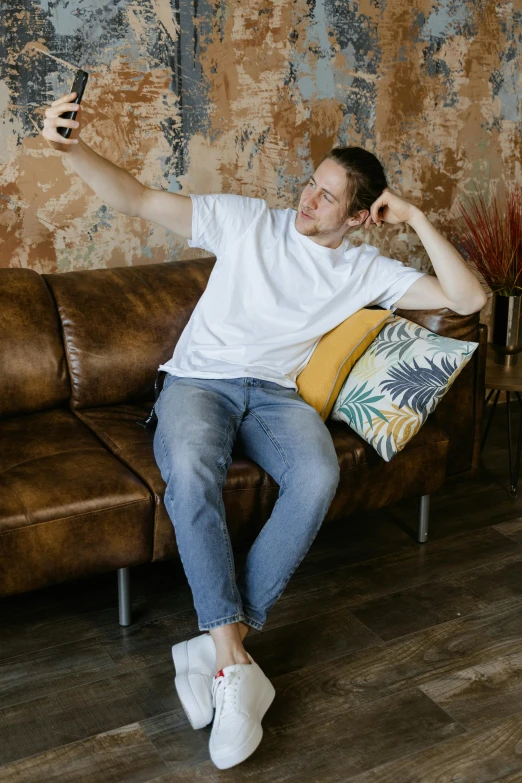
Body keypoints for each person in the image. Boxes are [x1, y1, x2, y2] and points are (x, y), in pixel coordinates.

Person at [41, 91, 487, 770]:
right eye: (312, 182)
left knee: (318, 474)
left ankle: (221, 644)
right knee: (191, 471)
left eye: (330, 196)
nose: (308, 198)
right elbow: (135, 198)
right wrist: (73, 150)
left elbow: (468, 299)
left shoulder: (364, 269)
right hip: (198, 383)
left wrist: (418, 217)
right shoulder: (246, 221)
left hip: (276, 398)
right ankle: (232, 660)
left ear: (362, 216)